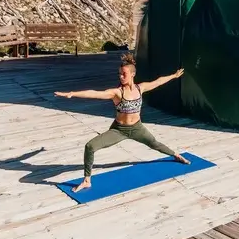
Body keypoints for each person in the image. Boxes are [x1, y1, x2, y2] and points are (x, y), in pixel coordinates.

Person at [54, 53, 190, 192]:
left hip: (137, 128)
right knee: (90, 146)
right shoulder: (117, 93)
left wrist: (174, 76)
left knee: (154, 144)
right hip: (119, 130)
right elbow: (95, 93)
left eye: (124, 74)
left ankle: (175, 155)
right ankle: (87, 180)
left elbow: (158, 81)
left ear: (132, 74)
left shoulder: (140, 88)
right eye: (119, 74)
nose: (120, 76)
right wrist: (72, 93)